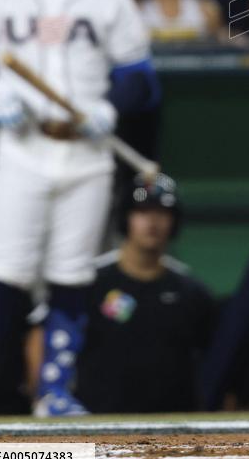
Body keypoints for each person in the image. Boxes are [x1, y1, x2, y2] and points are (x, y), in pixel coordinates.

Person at [0, 0, 158, 417]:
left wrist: (111, 108)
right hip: (23, 147)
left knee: (71, 274)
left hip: (86, 152)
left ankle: (56, 391)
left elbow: (139, 77)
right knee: (4, 269)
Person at [75, 175, 214, 413]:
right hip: (98, 418)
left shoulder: (191, 291)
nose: (152, 221)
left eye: (162, 212)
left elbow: (211, 357)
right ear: (125, 218)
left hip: (174, 424)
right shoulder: (90, 282)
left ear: (174, 221)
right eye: (142, 211)